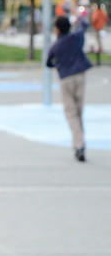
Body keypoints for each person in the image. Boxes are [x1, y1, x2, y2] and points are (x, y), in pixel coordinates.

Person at [47, 15, 93, 162]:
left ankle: (79, 145)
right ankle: (80, 143)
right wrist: (78, 15)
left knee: (71, 113)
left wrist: (58, 66)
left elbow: (48, 62)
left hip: (66, 78)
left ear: (58, 29)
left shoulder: (56, 45)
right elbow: (85, 24)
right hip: (80, 75)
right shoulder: (76, 37)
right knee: (79, 111)